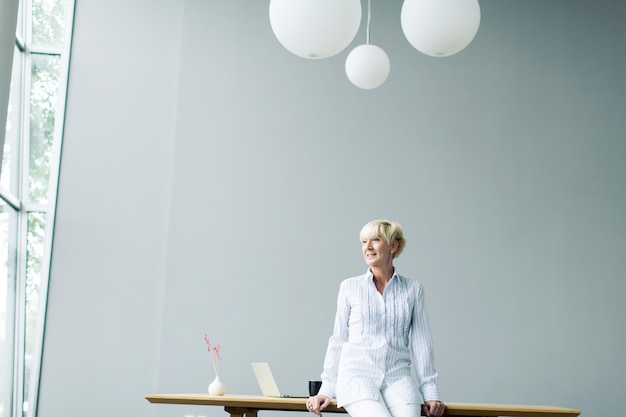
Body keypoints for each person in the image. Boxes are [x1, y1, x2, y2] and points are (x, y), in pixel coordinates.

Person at [306, 220, 445, 417]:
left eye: (376, 240)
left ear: (393, 245)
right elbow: (338, 339)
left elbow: (422, 343)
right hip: (357, 378)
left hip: (398, 379)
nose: (368, 247)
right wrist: (327, 388)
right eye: (364, 242)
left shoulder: (413, 289)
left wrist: (430, 392)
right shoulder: (350, 287)